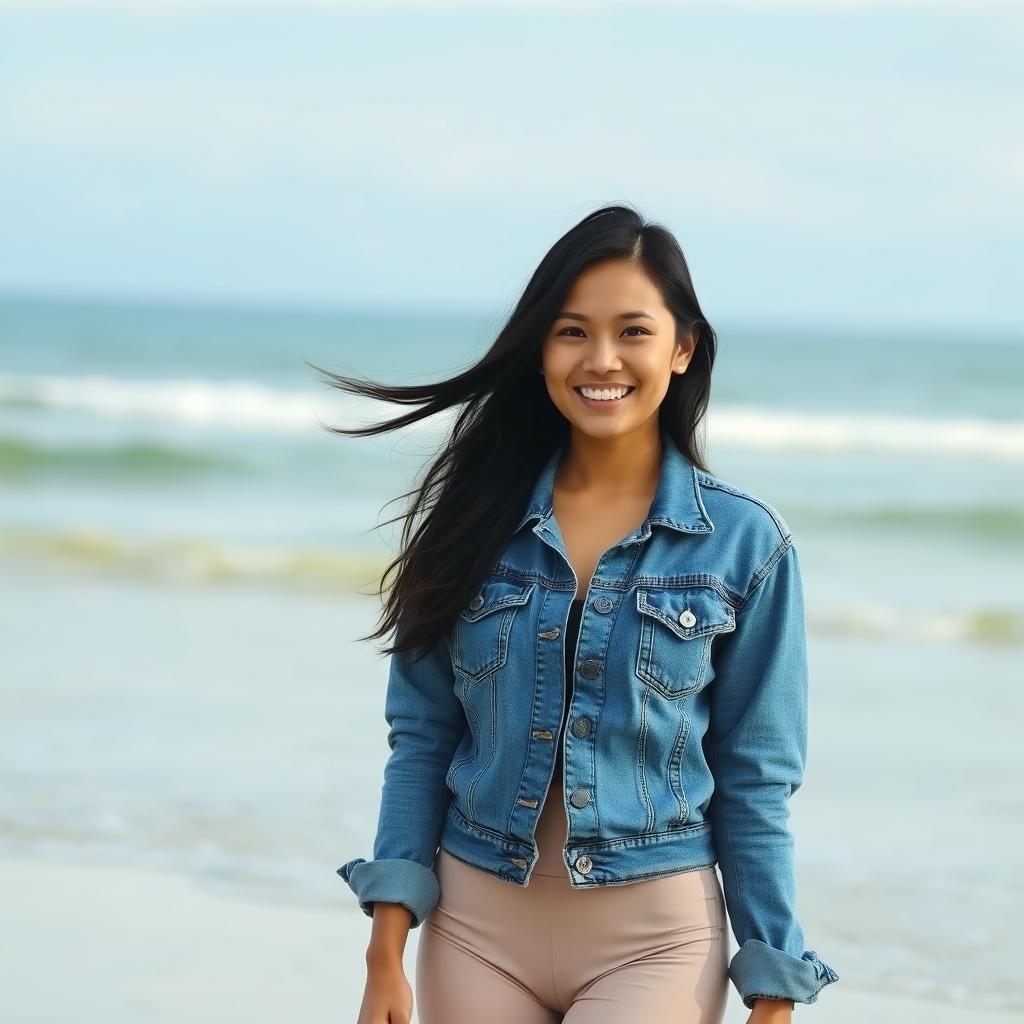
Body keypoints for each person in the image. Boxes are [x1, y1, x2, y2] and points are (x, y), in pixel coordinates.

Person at [317, 203, 840, 1023]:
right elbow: (422, 740)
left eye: (633, 331)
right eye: (571, 332)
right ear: (541, 349)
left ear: (682, 346)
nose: (602, 359)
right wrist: (386, 949)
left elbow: (755, 779)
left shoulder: (746, 546)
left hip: (655, 940)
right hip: (474, 928)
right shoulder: (469, 526)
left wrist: (772, 990)